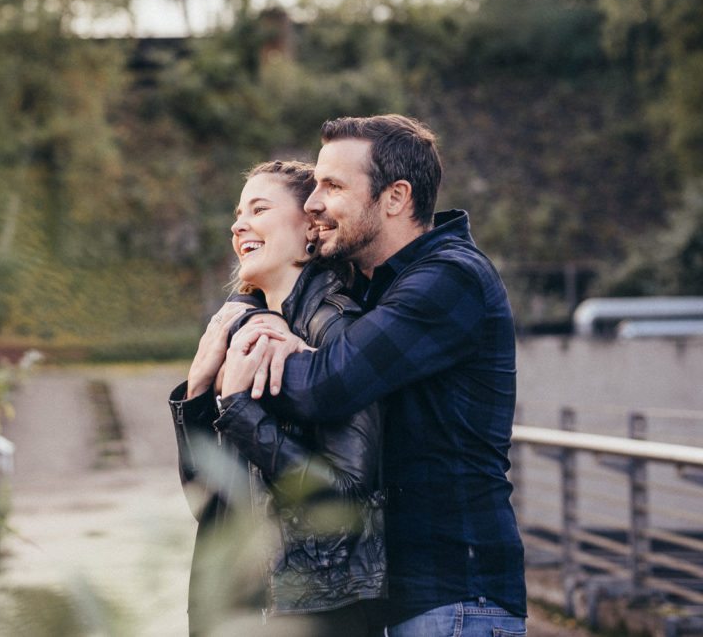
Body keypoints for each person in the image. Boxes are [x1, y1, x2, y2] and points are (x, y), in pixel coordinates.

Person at [221, 115, 527, 637]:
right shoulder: (371, 286)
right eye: (315, 183)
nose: (313, 202)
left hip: (457, 597)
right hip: (403, 601)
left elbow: (327, 385)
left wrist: (243, 367)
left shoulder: (448, 279)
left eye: (333, 185)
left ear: (395, 198)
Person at [168, 160, 387, 637]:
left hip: (317, 611)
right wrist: (199, 388)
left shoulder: (339, 329)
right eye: (237, 213)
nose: (238, 224)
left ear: (311, 226)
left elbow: (347, 498)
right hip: (241, 607)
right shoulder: (237, 332)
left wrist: (240, 410)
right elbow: (209, 503)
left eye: (259, 208)